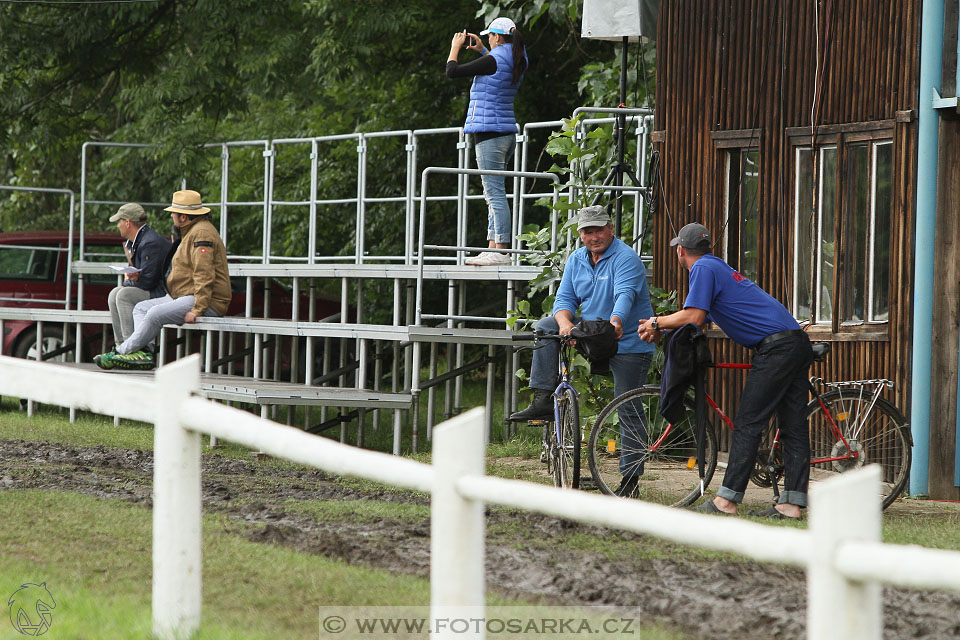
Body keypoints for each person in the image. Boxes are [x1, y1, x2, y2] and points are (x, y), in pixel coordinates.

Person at [638, 223, 815, 519]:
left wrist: (656, 322)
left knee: (748, 422)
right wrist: (665, 326)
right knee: (793, 425)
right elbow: (701, 320)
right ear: (708, 246)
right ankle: (791, 505)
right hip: (794, 342)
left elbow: (693, 315)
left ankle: (726, 501)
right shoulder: (716, 265)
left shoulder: (703, 269)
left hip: (777, 350)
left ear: (680, 251)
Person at [510, 205, 656, 497]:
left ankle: (630, 482)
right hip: (592, 332)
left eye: (598, 230)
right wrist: (565, 325)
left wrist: (615, 323)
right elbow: (564, 299)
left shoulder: (626, 258)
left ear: (610, 228)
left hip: (626, 338)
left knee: (628, 407)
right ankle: (543, 397)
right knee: (547, 323)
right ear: (580, 234)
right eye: (587, 232)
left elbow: (624, 296)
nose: (593, 237)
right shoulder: (577, 259)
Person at [94, 190, 231, 370]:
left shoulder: (201, 233)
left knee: (154, 314)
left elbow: (204, 274)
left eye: (174, 212)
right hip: (185, 295)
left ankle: (122, 352)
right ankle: (142, 353)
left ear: (183, 217)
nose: (172, 215)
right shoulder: (193, 231)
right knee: (141, 308)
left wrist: (198, 309)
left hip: (206, 301)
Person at [446, 16, 528, 266]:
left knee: (494, 194)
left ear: (497, 37)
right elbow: (494, 67)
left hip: (489, 134)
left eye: (490, 36)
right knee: (493, 192)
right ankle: (493, 246)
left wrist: (455, 47)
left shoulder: (494, 59)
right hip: (504, 133)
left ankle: (501, 248)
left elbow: (453, 71)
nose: (488, 40)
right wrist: (481, 49)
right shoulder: (518, 57)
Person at [106, 203, 172, 346]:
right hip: (153, 289)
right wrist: (131, 279)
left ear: (128, 223)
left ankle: (131, 348)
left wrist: (130, 280)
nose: (118, 225)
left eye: (119, 221)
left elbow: (148, 282)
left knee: (124, 295)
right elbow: (139, 278)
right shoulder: (137, 240)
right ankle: (121, 346)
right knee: (113, 294)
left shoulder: (150, 242)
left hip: (163, 293)